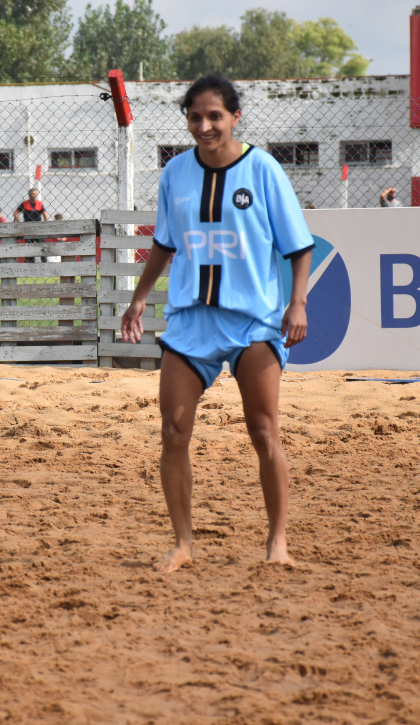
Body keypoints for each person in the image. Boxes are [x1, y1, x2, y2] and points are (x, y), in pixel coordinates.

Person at [121, 73, 314, 572]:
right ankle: (183, 545)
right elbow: (164, 243)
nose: (204, 126)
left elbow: (299, 246)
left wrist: (298, 304)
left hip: (253, 323)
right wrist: (140, 298)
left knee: (264, 431)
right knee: (172, 432)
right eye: (195, 117)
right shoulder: (175, 174)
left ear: (234, 117)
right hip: (190, 324)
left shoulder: (265, 170)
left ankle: (277, 543)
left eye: (214, 116)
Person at [14, 187, 49, 261]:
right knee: (29, 248)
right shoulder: (24, 204)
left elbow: (45, 215)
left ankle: (44, 262)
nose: (34, 196)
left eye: (35, 194)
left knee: (42, 247)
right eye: (32, 194)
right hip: (28, 229)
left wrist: (46, 225)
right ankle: (30, 264)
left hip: (39, 229)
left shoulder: (39, 203)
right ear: (29, 195)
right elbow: (15, 214)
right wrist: (19, 223)